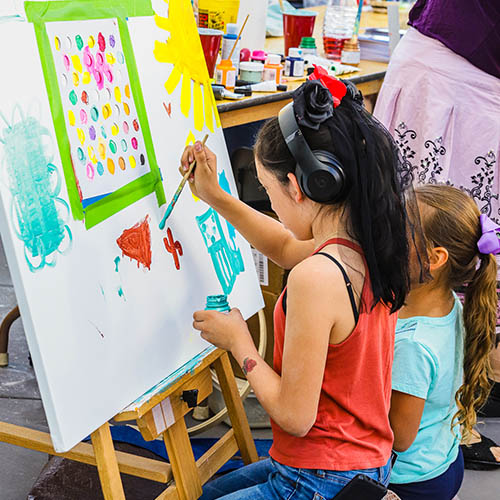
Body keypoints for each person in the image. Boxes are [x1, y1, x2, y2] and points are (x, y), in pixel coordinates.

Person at [180, 73, 417, 499]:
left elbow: (294, 416)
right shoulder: (366, 243)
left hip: (320, 478)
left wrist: (240, 343)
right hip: (358, 464)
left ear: (300, 186)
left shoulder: (317, 277)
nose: (269, 204)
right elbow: (285, 246)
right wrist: (213, 195)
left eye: (268, 191)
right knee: (208, 491)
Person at [374, 0, 500, 468]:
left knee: (446, 252)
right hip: (451, 70)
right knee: (416, 239)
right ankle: (446, 423)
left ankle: (449, 422)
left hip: (474, 79)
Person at [388, 185, 499, 500]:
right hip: (444, 463)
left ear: (434, 259)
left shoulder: (413, 346)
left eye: (399, 231)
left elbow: (399, 438)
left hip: (409, 482)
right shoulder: (449, 303)